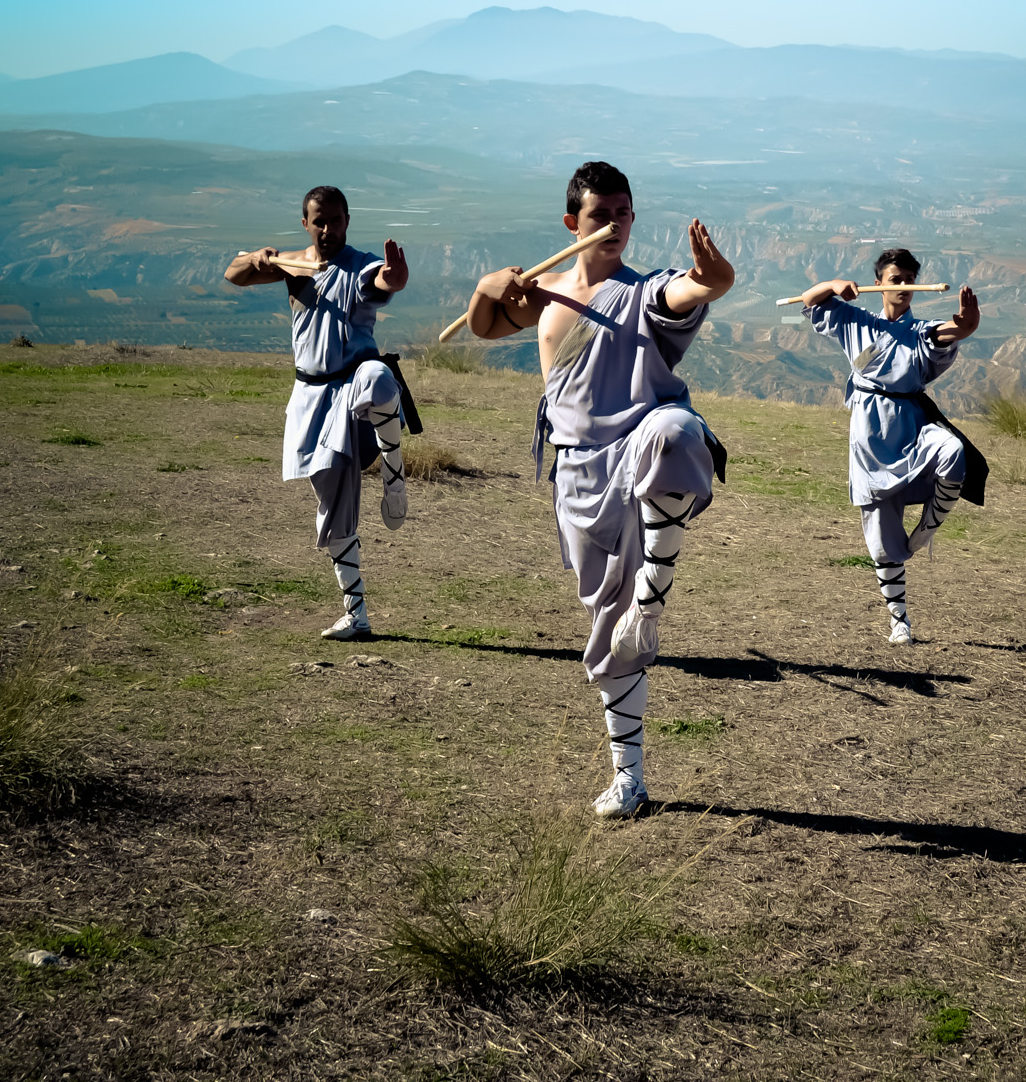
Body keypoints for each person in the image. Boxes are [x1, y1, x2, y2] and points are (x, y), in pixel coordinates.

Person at [464, 161, 735, 819]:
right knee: (611, 632)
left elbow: (699, 287)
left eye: (623, 213)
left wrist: (712, 276)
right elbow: (483, 326)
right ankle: (629, 779)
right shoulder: (545, 294)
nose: (614, 224)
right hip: (577, 476)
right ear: (572, 222)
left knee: (675, 432)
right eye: (599, 214)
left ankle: (652, 596)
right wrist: (486, 286)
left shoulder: (644, 292)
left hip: (636, 451)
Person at [224, 186, 419, 642]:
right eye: (319, 221)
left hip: (353, 383)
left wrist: (394, 276)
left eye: (335, 220)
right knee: (333, 509)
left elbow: (382, 281)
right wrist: (260, 258)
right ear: (306, 223)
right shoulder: (295, 265)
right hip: (311, 398)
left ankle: (394, 475)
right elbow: (234, 274)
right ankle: (356, 614)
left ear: (347, 220)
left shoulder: (360, 265)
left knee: (379, 378)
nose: (328, 229)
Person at [799, 249, 986, 643]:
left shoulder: (921, 331)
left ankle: (926, 531)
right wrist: (833, 285)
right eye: (895, 279)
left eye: (909, 280)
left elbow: (949, 332)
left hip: (912, 425)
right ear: (879, 284)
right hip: (869, 436)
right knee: (883, 539)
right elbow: (809, 299)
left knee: (953, 452)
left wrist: (965, 325)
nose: (903, 286)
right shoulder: (856, 321)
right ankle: (899, 619)